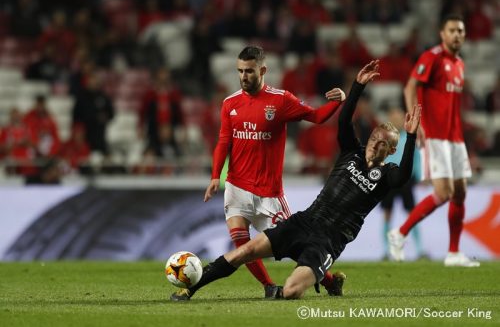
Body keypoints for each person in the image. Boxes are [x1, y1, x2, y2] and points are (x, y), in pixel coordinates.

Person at [171, 60, 421, 301]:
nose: (376, 143)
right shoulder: (351, 152)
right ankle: (190, 289)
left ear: (390, 151)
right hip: (304, 221)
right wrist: (358, 85)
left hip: (328, 241)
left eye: (384, 143)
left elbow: (404, 176)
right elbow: (344, 121)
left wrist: (410, 137)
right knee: (244, 251)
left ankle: (320, 281)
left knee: (291, 291)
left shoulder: (388, 174)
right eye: (376, 136)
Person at [203, 46, 346, 298]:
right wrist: (216, 176)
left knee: (295, 245)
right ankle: (269, 287)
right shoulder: (230, 104)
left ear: (263, 70)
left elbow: (316, 117)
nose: (244, 76)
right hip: (236, 186)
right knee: (241, 242)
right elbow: (224, 141)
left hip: (269, 193)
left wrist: (337, 102)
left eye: (249, 71)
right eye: (240, 71)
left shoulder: (281, 100)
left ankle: (331, 281)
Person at [388, 15, 479, 267]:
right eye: (452, 30)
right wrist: (417, 125)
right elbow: (410, 87)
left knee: (459, 193)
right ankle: (400, 233)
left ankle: (453, 253)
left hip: (455, 138)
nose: (457, 35)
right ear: (442, 33)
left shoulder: (459, 63)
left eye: (461, 30)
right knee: (443, 192)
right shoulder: (432, 57)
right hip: (436, 136)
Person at [380, 106, 425, 260]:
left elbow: (416, 157)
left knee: (413, 214)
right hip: (388, 180)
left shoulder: (410, 137)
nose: (396, 121)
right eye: (393, 118)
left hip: (406, 181)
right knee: (387, 214)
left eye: (398, 118)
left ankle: (420, 250)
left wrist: (418, 177)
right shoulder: (385, 139)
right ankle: (386, 251)